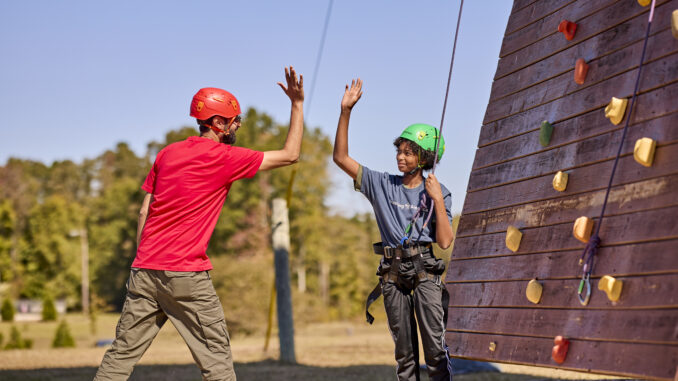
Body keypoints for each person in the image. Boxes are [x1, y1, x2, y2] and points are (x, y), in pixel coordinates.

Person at [94, 66, 304, 381]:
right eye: (235, 121)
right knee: (217, 366)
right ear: (219, 123)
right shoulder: (225, 157)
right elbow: (290, 154)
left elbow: (143, 212)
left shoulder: (166, 153)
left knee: (118, 359)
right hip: (187, 275)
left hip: (144, 269)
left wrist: (146, 260)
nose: (238, 127)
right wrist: (297, 105)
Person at [332, 79, 454, 381]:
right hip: (392, 272)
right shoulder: (382, 184)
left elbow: (445, 241)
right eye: (399, 151)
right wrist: (345, 112)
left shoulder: (439, 192)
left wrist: (437, 199)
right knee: (405, 356)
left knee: (435, 352)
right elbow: (340, 158)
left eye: (409, 152)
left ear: (425, 158)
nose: (400, 156)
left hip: (425, 270)